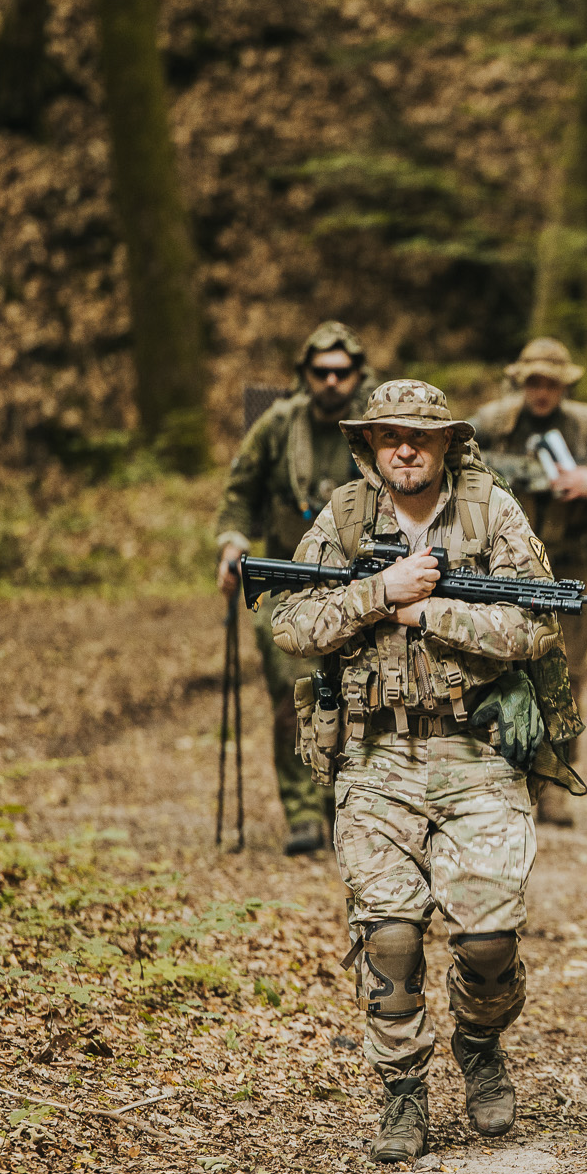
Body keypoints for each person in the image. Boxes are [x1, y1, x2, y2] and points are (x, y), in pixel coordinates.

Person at [271, 379, 563, 1164]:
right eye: (390, 435)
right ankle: (403, 1087)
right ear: (369, 444)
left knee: (489, 943)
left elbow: (537, 619)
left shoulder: (488, 510)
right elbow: (290, 621)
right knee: (391, 938)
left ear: (447, 444)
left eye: (421, 436)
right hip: (374, 756)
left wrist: (430, 612)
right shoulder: (343, 518)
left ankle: (478, 1040)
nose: (405, 448)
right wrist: (379, 594)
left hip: (476, 752)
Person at [214, 322, 376, 855]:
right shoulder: (279, 425)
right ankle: (303, 810)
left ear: (357, 374)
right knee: (293, 694)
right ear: (305, 374)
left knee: (357, 692)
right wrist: (233, 541)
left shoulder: (377, 428)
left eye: (341, 372)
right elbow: (240, 491)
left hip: (361, 579)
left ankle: (344, 803)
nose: (331, 381)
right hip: (286, 577)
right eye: (320, 372)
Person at [470, 337, 587, 826]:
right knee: (496, 665)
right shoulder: (490, 425)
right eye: (533, 382)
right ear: (519, 382)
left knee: (565, 674)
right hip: (502, 567)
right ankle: (501, 776)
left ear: (565, 385)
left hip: (571, 565)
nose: (541, 392)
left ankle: (556, 778)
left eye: (551, 383)